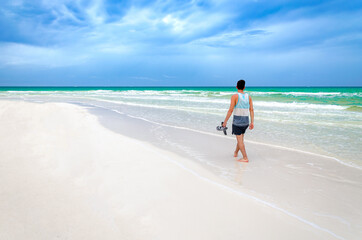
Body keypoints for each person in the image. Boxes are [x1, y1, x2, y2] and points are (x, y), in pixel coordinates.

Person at [222, 79, 254, 162]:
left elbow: (230, 110)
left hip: (237, 122)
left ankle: (245, 158)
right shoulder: (248, 96)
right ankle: (236, 152)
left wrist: (225, 122)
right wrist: (252, 122)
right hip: (246, 122)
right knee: (240, 140)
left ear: (236, 87)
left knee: (240, 141)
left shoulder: (235, 96)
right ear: (244, 87)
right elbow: (251, 110)